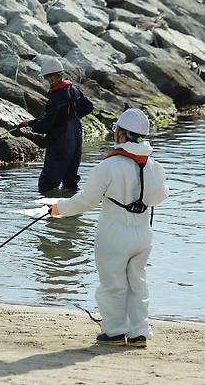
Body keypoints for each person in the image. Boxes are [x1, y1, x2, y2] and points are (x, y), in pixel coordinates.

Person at [48, 108, 168, 348]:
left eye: (117, 131)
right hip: (143, 235)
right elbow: (161, 195)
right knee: (138, 283)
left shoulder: (109, 165)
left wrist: (58, 208)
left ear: (123, 135)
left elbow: (86, 200)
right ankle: (138, 332)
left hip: (113, 234)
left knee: (113, 283)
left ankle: (113, 332)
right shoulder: (154, 165)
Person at [19, 57, 93, 194]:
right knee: (71, 182)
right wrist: (74, 118)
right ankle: (71, 212)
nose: (47, 82)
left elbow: (47, 125)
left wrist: (30, 123)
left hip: (60, 143)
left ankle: (49, 213)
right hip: (76, 140)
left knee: (47, 184)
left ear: (52, 77)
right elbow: (88, 106)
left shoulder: (56, 98)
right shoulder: (74, 90)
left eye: (47, 78)